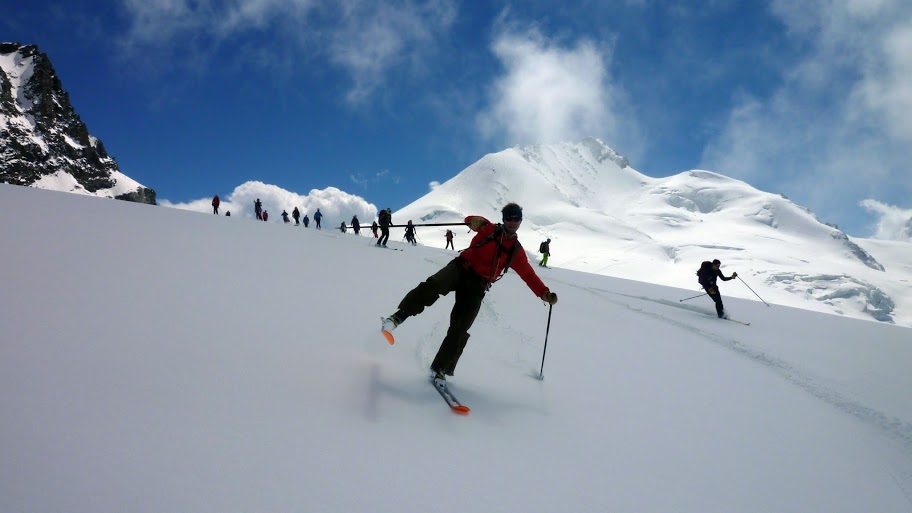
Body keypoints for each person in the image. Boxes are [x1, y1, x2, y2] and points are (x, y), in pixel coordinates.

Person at [380, 203, 558, 383]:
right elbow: (470, 221)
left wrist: (544, 293)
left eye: (516, 219)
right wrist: (474, 221)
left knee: (461, 326)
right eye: (509, 218)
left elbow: (528, 274)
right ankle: (397, 318)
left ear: (520, 221)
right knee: (433, 286)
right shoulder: (488, 228)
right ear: (503, 219)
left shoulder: (516, 251)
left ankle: (440, 368)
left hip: (478, 285)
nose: (512, 222)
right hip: (460, 268)